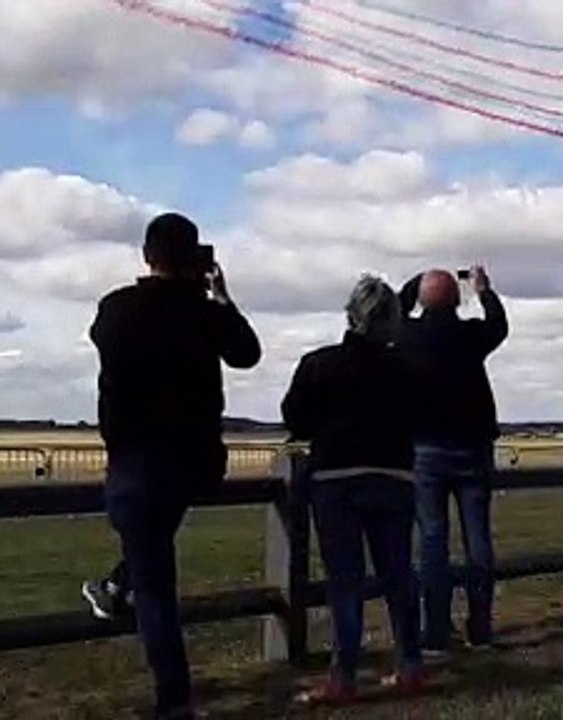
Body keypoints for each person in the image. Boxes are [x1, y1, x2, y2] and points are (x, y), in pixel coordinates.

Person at [82, 212, 261, 719]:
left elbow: (106, 337)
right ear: (194, 260)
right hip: (197, 462)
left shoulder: (116, 309)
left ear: (146, 256)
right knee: (150, 551)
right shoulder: (205, 313)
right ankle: (116, 585)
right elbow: (247, 354)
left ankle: (175, 702)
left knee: (155, 586)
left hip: (137, 463)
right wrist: (219, 299)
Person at [281, 275, 426, 705]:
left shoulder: (318, 364)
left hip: (335, 479)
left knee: (345, 583)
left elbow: (296, 419)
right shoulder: (406, 370)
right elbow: (419, 416)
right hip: (394, 478)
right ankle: (410, 665)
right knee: (399, 576)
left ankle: (343, 677)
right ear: (391, 321)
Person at [398, 266, 508, 658]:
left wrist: (415, 282)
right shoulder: (470, 336)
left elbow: (396, 312)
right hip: (473, 447)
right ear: (458, 300)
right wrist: (484, 290)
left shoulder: (407, 335)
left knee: (431, 540)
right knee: (478, 539)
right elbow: (498, 325)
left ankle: (436, 632)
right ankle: (481, 628)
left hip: (425, 448)